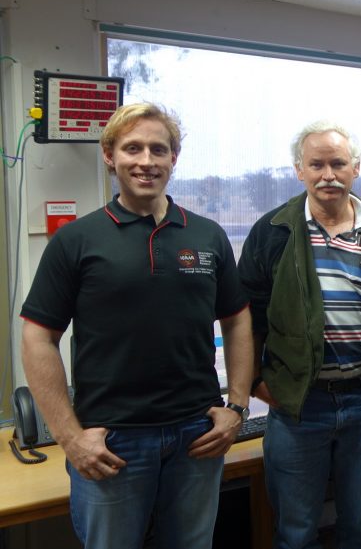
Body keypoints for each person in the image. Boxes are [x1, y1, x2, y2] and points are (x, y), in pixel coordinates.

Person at [20, 102, 253, 549]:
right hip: (111, 443)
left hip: (197, 435)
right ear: (110, 155)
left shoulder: (207, 236)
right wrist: (69, 438)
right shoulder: (77, 239)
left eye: (158, 150)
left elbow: (238, 321)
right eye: (133, 148)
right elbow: (38, 337)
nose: (146, 161)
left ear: (173, 159)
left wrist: (237, 408)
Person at [238, 120, 361, 549]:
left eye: (338, 164)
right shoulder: (273, 233)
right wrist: (255, 382)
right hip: (300, 405)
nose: (328, 175)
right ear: (298, 170)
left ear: (355, 168)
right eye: (316, 164)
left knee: (360, 528)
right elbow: (247, 316)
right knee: (296, 531)